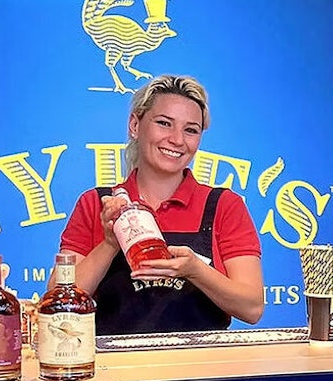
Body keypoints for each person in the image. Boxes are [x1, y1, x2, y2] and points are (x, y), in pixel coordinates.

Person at [56, 74, 264, 335]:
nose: (177, 139)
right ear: (135, 125)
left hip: (203, 360)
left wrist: (195, 271)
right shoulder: (95, 203)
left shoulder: (224, 205)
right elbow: (59, 302)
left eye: (191, 130)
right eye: (164, 123)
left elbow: (252, 308)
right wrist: (109, 244)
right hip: (113, 359)